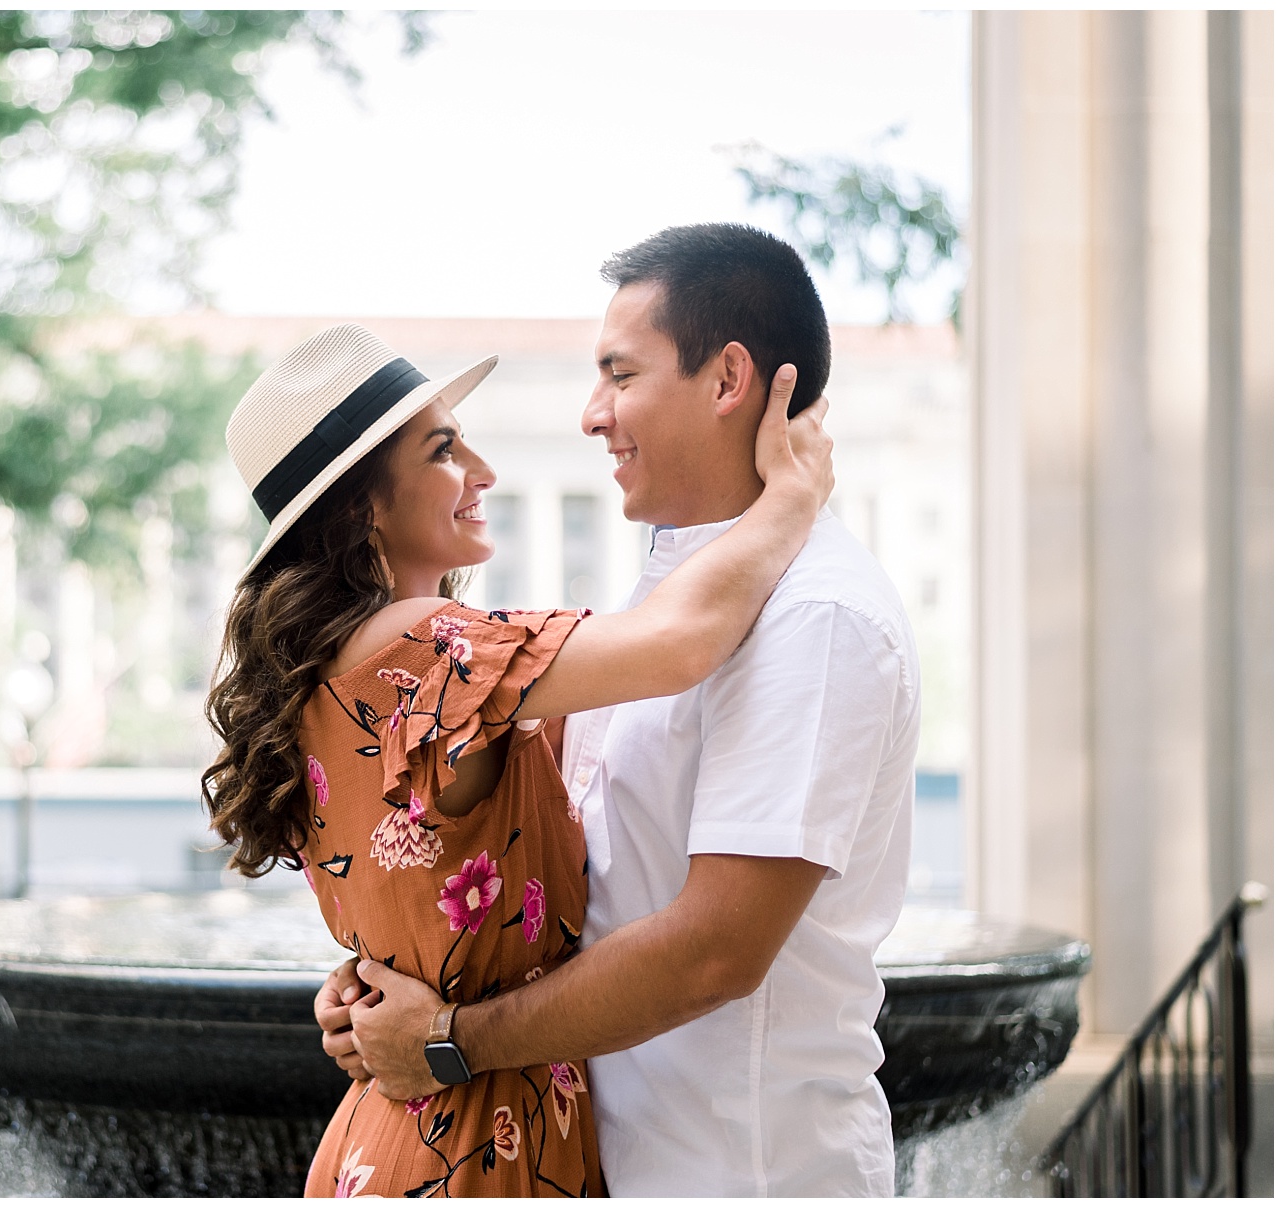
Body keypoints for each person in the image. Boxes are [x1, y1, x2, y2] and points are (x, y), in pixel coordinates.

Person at [318, 224, 921, 1197]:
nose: (592, 414)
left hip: (738, 1175)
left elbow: (716, 948)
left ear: (729, 380)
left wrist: (446, 1037)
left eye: (619, 373)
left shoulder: (816, 615)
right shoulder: (671, 597)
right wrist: (389, 974)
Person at [204, 316, 833, 1197]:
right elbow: (682, 640)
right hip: (477, 1145)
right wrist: (794, 501)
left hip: (411, 1131)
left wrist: (372, 988)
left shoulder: (334, 674)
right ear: (363, 507)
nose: (484, 472)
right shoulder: (427, 649)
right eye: (443, 451)